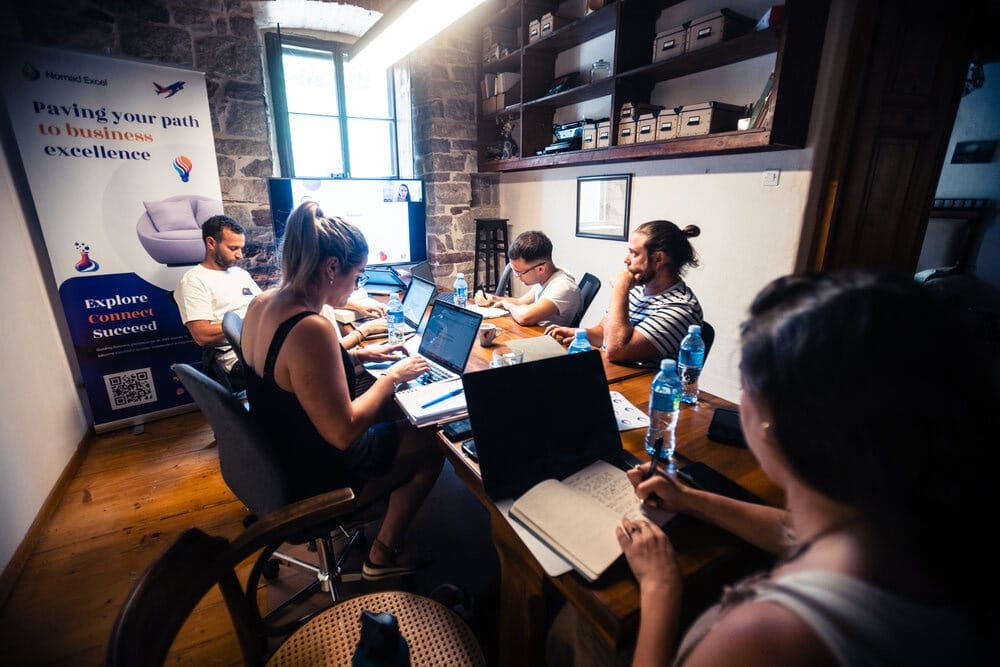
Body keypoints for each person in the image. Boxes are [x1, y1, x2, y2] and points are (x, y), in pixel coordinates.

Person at [547, 271, 1000, 666]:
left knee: (575, 627)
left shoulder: (766, 635)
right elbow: (792, 530)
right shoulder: (905, 526)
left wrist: (660, 587)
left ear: (770, 423)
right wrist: (690, 500)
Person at [240, 200, 444, 580]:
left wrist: (358, 356)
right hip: (315, 476)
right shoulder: (311, 327)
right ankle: (383, 553)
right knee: (431, 436)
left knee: (395, 412)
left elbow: (289, 374)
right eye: (358, 275)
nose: (356, 286)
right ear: (332, 268)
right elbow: (343, 432)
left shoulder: (262, 303)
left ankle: (380, 512)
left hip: (279, 456)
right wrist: (392, 377)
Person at [545, 220, 702, 364]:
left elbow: (616, 351)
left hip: (641, 384)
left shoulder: (681, 308)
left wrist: (620, 287)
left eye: (634, 253)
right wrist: (580, 334)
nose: (626, 259)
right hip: (609, 371)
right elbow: (603, 331)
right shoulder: (638, 289)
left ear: (659, 259)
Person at [175, 214, 261, 391]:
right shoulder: (194, 281)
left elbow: (262, 305)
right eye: (233, 248)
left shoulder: (241, 274)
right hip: (236, 356)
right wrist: (251, 323)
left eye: (241, 248)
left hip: (262, 342)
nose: (240, 255)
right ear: (211, 243)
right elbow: (202, 335)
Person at [481, 230, 581, 326]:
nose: (517, 276)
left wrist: (508, 305)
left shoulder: (562, 287)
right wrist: (493, 299)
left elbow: (525, 318)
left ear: (540, 269)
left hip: (544, 336)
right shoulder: (546, 277)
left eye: (520, 272)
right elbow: (520, 302)